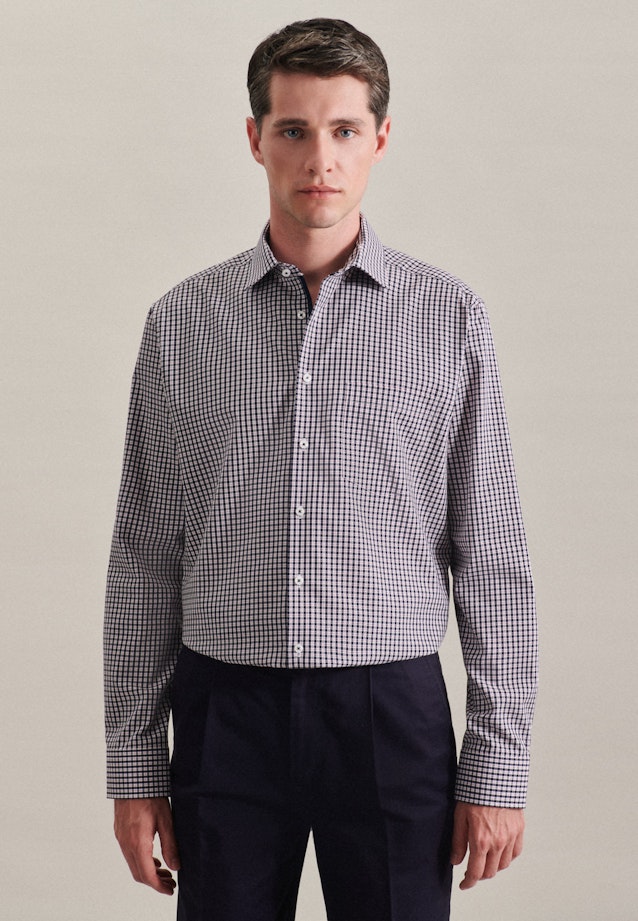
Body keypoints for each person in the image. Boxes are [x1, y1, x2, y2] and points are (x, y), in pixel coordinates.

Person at [104, 18, 537, 921]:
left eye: (344, 130)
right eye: (294, 130)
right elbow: (144, 556)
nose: (320, 159)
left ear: (381, 138)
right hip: (225, 711)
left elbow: (492, 554)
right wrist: (135, 765)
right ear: (255, 137)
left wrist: (498, 763)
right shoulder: (181, 323)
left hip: (391, 711)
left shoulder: (448, 318)